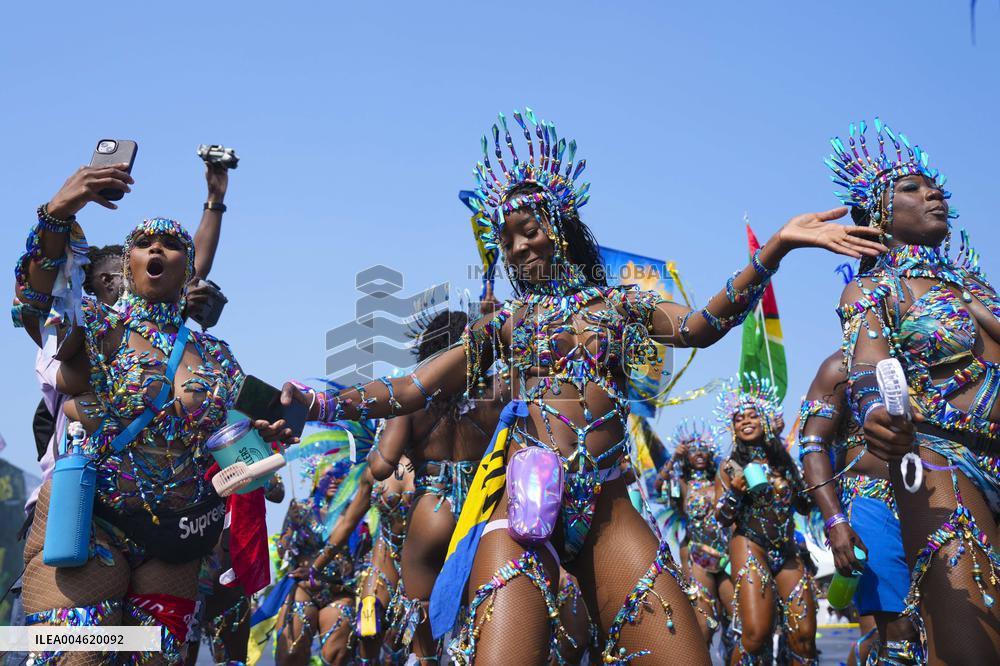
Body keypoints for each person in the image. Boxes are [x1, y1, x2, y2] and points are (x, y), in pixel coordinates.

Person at [265, 108, 884, 664]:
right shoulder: (506, 327)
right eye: (506, 239)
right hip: (526, 515)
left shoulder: (619, 306)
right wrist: (318, 398)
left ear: (561, 225)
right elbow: (409, 389)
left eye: (528, 230)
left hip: (611, 512)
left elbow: (699, 327)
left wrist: (774, 249)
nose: (517, 247)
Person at [12, 162, 283, 666]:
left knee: (151, 660)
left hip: (177, 537)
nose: (156, 249)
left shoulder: (219, 357)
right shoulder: (96, 328)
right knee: (78, 657)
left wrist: (264, 448)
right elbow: (34, 304)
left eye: (171, 244)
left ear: (190, 267)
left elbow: (246, 454)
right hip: (93, 522)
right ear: (130, 263)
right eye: (144, 242)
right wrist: (58, 211)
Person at [831, 118, 1000, 662]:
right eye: (911, 188)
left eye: (935, 187)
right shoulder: (872, 290)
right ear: (880, 213)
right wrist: (877, 407)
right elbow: (866, 367)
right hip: (944, 462)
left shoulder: (977, 286)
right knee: (974, 647)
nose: (932, 193)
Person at [364, 309, 504, 663]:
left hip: (432, 513)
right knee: (484, 615)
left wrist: (378, 442)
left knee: (419, 619)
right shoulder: (497, 392)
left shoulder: (411, 401)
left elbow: (381, 468)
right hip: (483, 513)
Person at [798, 352, 918, 664]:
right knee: (898, 632)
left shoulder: (928, 353)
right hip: (871, 504)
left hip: (936, 503)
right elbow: (813, 446)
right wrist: (836, 522)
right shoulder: (840, 367)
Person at [716, 375, 818, 665]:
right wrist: (734, 493)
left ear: (765, 421)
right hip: (751, 545)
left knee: (804, 637)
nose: (745, 421)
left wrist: (798, 472)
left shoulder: (784, 462)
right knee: (756, 635)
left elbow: (806, 506)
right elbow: (721, 519)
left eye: (752, 416)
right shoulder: (728, 467)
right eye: (738, 418)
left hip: (787, 550)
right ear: (733, 428)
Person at [273, 462, 361, 666]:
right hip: (305, 589)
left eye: (339, 475)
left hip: (339, 591)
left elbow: (361, 558)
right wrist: (291, 529)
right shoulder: (301, 508)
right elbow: (283, 551)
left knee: (336, 657)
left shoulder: (356, 513)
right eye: (328, 475)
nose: (333, 480)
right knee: (291, 654)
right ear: (316, 477)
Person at [663, 419, 731, 648]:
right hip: (700, 555)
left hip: (728, 555)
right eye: (693, 450)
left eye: (704, 450)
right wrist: (674, 457)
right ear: (686, 457)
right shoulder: (682, 484)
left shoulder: (720, 479)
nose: (699, 454)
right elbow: (658, 485)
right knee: (706, 622)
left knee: (738, 618)